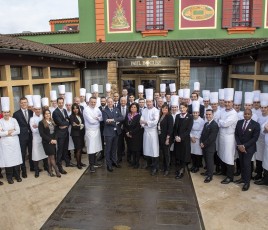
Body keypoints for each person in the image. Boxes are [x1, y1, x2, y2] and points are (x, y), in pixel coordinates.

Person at [234, 109, 260, 191]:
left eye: (248, 114)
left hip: (249, 148)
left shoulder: (256, 125)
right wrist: (239, 145)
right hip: (239, 147)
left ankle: (247, 182)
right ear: (243, 114)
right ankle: (242, 178)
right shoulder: (239, 122)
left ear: (251, 115)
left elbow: (255, 138)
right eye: (245, 114)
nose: (246, 115)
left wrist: (244, 146)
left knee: (247, 164)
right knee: (241, 163)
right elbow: (236, 134)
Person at [218, 88, 238, 184]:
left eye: (229, 102)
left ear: (232, 103)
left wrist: (220, 122)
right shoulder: (222, 111)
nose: (227, 104)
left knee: (229, 157)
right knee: (222, 154)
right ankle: (223, 172)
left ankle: (230, 177)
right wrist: (221, 122)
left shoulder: (234, 114)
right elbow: (220, 122)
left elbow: (224, 123)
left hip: (229, 137)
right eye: (226, 102)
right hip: (221, 136)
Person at [0, 97, 23, 184]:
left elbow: (18, 130)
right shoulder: (0, 121)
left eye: (7, 112)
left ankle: (17, 176)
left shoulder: (14, 120)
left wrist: (5, 132)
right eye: (4, 112)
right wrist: (9, 132)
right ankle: (9, 178)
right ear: (2, 113)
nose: (6, 114)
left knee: (16, 160)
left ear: (10, 112)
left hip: (14, 143)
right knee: (8, 161)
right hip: (5, 145)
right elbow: (0, 133)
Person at [13, 97, 34, 178]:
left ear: (27, 103)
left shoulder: (31, 112)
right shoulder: (16, 114)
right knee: (23, 154)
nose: (23, 104)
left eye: (25, 102)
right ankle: (24, 171)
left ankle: (32, 167)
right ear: (19, 103)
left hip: (31, 136)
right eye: (22, 102)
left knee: (32, 152)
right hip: (21, 137)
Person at [140, 89, 160, 176]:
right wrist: (146, 123)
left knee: (154, 149)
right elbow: (141, 120)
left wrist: (146, 122)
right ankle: (149, 164)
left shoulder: (156, 110)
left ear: (152, 102)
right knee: (147, 148)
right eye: (147, 102)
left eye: (150, 102)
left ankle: (155, 167)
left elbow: (155, 122)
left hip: (153, 133)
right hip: (146, 132)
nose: (148, 103)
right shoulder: (144, 110)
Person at [103, 97, 124, 172]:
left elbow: (122, 118)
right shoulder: (104, 111)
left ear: (113, 102)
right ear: (107, 103)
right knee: (108, 149)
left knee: (114, 148)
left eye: (111, 102)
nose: (110, 103)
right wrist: (116, 122)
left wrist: (113, 120)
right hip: (108, 133)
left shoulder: (116, 109)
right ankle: (109, 164)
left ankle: (114, 162)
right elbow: (106, 121)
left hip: (116, 132)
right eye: (108, 102)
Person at [38, 109, 61, 178]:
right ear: (44, 115)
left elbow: (56, 131)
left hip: (53, 141)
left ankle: (50, 171)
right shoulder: (41, 123)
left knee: (49, 157)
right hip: (47, 142)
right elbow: (42, 134)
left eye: (48, 113)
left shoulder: (52, 121)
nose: (47, 115)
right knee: (52, 157)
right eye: (46, 114)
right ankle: (57, 171)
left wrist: (55, 139)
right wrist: (50, 140)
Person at [30, 95, 48, 178]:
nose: (37, 111)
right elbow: (33, 130)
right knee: (36, 155)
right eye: (36, 109)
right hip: (36, 139)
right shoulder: (32, 119)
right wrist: (40, 127)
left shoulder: (42, 117)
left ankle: (46, 167)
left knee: (44, 153)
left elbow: (47, 127)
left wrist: (38, 127)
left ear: (41, 110)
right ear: (34, 110)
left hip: (43, 138)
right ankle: (36, 170)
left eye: (39, 109)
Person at [174, 102, 193, 179]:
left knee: (184, 155)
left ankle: (182, 170)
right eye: (180, 108)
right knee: (178, 154)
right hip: (177, 139)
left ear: (186, 108)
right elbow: (175, 128)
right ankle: (179, 169)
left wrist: (180, 137)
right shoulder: (177, 116)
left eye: (183, 108)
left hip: (184, 140)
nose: (182, 109)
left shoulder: (190, 117)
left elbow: (188, 130)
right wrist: (175, 136)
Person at [83, 97, 103, 173]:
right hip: (90, 131)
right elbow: (90, 121)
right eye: (92, 102)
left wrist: (97, 118)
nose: (93, 103)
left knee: (96, 147)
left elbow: (101, 118)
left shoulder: (97, 108)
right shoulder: (86, 110)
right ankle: (91, 165)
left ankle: (95, 162)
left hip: (97, 131)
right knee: (91, 148)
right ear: (89, 102)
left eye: (94, 102)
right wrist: (97, 119)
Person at [200, 109, 219, 183]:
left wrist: (204, 143)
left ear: (212, 115)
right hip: (204, 146)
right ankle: (207, 172)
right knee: (206, 160)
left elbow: (211, 138)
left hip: (209, 147)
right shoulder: (206, 123)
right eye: (207, 114)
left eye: (209, 114)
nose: (208, 116)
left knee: (210, 161)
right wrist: (201, 142)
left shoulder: (214, 125)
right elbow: (202, 134)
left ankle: (210, 176)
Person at [52, 97, 70, 174]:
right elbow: (60, 123)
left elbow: (68, 120)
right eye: (59, 103)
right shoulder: (55, 112)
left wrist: (65, 123)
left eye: (62, 103)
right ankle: (59, 167)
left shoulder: (65, 110)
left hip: (66, 133)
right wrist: (65, 122)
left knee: (66, 149)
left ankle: (67, 163)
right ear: (57, 103)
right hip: (60, 134)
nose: (61, 104)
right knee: (60, 150)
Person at [124, 103, 143, 169]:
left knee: (136, 150)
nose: (133, 108)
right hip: (128, 136)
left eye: (135, 107)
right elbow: (124, 125)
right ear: (130, 108)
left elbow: (139, 127)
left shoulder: (139, 116)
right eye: (132, 107)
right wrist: (127, 132)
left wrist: (131, 133)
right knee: (131, 149)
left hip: (136, 136)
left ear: (137, 108)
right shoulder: (128, 115)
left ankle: (137, 163)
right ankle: (133, 162)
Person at [157, 104, 173, 176]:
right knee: (163, 152)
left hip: (166, 138)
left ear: (168, 110)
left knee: (167, 154)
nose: (164, 110)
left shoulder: (169, 116)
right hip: (161, 137)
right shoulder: (161, 116)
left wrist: (167, 139)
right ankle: (164, 167)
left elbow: (170, 128)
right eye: (163, 109)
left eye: (166, 109)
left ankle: (167, 169)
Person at [69, 103, 86, 169]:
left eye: (76, 108)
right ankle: (78, 164)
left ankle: (80, 162)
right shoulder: (71, 116)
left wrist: (78, 125)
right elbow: (74, 126)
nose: (75, 110)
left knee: (80, 149)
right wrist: (80, 125)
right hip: (75, 135)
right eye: (74, 108)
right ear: (72, 110)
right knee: (78, 149)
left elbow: (83, 123)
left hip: (81, 134)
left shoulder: (81, 115)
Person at [190, 101, 205, 173]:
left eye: (196, 113)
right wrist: (191, 136)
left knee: (197, 154)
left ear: (198, 113)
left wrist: (196, 137)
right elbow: (188, 129)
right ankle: (193, 165)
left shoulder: (202, 121)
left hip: (198, 138)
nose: (195, 114)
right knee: (192, 153)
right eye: (194, 113)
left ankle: (197, 166)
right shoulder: (190, 120)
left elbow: (202, 130)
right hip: (191, 138)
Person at [255, 122, 268, 186]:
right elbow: (263, 129)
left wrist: (266, 129)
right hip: (266, 146)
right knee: (265, 163)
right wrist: (266, 129)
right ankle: (265, 179)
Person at [117, 96, 128, 163]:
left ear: (126, 101)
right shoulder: (117, 108)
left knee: (129, 143)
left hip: (127, 129)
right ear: (120, 101)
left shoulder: (129, 108)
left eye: (124, 101)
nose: (123, 102)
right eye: (122, 101)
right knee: (119, 144)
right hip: (119, 128)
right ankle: (119, 158)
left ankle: (129, 158)